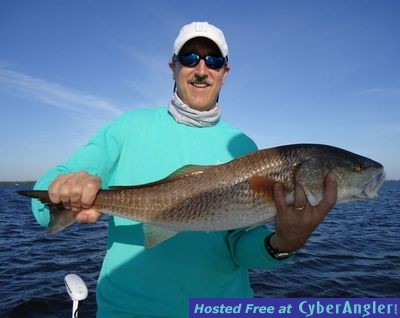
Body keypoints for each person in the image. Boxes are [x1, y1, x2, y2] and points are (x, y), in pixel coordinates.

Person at [31, 22, 337, 317]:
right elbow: (41, 202)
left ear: (225, 72)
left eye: (213, 60)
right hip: (130, 312)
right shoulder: (127, 128)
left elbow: (239, 247)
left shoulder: (243, 145)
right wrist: (67, 188)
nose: (201, 70)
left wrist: (285, 243)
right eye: (190, 58)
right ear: (173, 67)